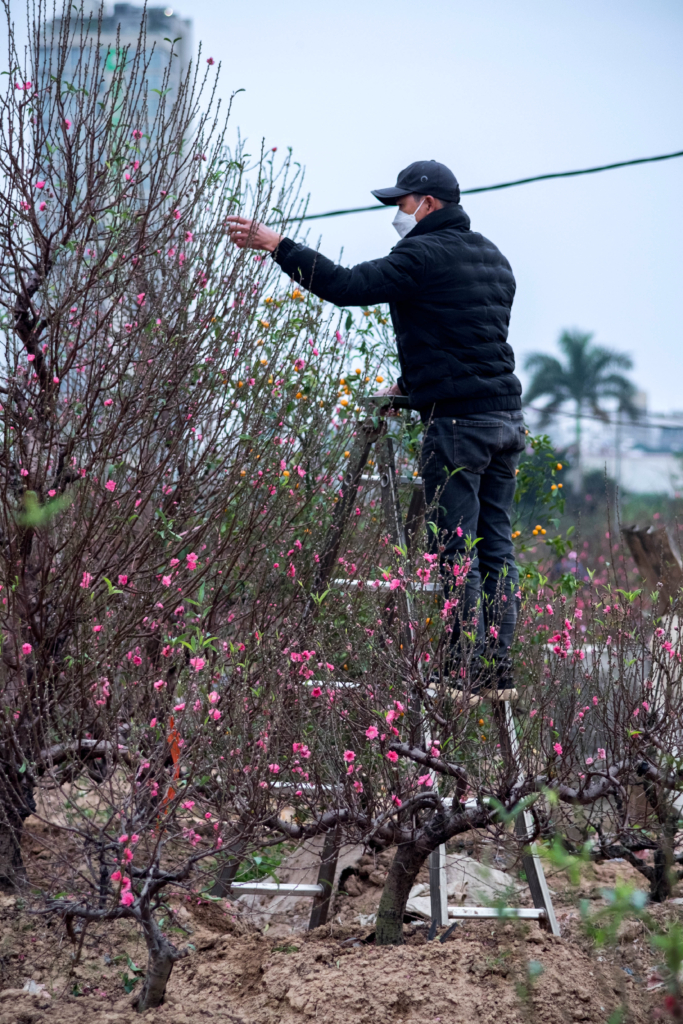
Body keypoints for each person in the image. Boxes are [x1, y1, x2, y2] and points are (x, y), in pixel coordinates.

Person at [227, 159, 525, 697]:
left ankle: (463, 668)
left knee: (457, 549)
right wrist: (408, 385)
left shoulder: (422, 254)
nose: (396, 213)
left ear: (427, 204)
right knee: (496, 548)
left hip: (458, 424)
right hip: (505, 420)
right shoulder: (494, 257)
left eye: (401, 203)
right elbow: (462, 334)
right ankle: (496, 669)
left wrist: (279, 246)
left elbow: (346, 286)